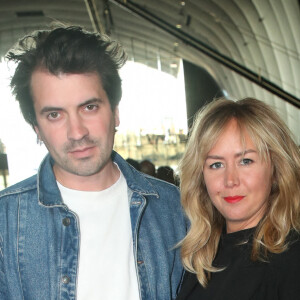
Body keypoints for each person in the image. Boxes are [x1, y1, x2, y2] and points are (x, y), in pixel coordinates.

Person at [0, 25, 187, 300]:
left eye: (89, 107)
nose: (77, 132)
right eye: (54, 114)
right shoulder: (5, 222)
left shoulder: (172, 208)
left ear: (115, 111)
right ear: (36, 128)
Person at [176, 98, 300, 300]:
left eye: (245, 161)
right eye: (216, 165)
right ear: (201, 177)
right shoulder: (201, 255)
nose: (230, 180)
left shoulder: (292, 259)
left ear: (276, 170)